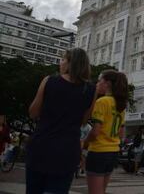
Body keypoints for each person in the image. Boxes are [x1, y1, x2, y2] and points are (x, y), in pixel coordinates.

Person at [26, 48, 95, 194]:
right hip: (67, 151)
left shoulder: (49, 81)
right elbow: (84, 121)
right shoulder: (90, 89)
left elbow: (33, 113)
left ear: (71, 64)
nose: (60, 62)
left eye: (63, 59)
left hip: (41, 145)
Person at [83, 70, 128, 194]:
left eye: (99, 81)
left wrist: (84, 143)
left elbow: (95, 132)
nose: (97, 84)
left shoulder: (102, 101)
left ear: (107, 83)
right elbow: (122, 133)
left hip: (98, 151)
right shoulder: (121, 105)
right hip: (113, 152)